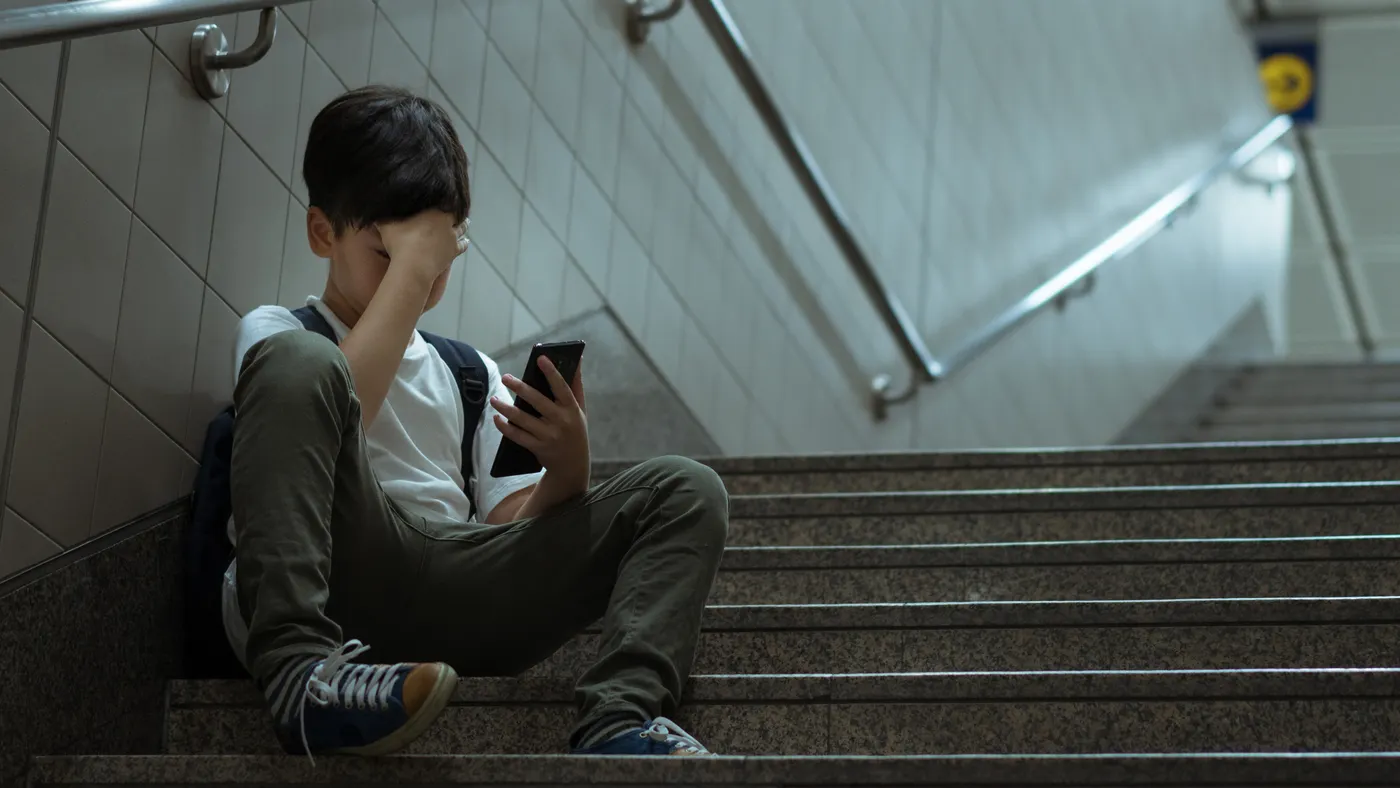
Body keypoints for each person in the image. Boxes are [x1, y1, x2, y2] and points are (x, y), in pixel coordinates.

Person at [221, 85, 729, 759]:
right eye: (392, 253)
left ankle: (619, 717)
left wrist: (569, 464)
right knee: (300, 364)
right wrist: (410, 277)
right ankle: (298, 673)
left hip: (454, 591)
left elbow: (508, 532)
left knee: (686, 488)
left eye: (436, 257)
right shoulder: (283, 337)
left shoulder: (468, 374)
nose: (423, 276)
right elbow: (341, 404)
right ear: (323, 233)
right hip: (336, 571)